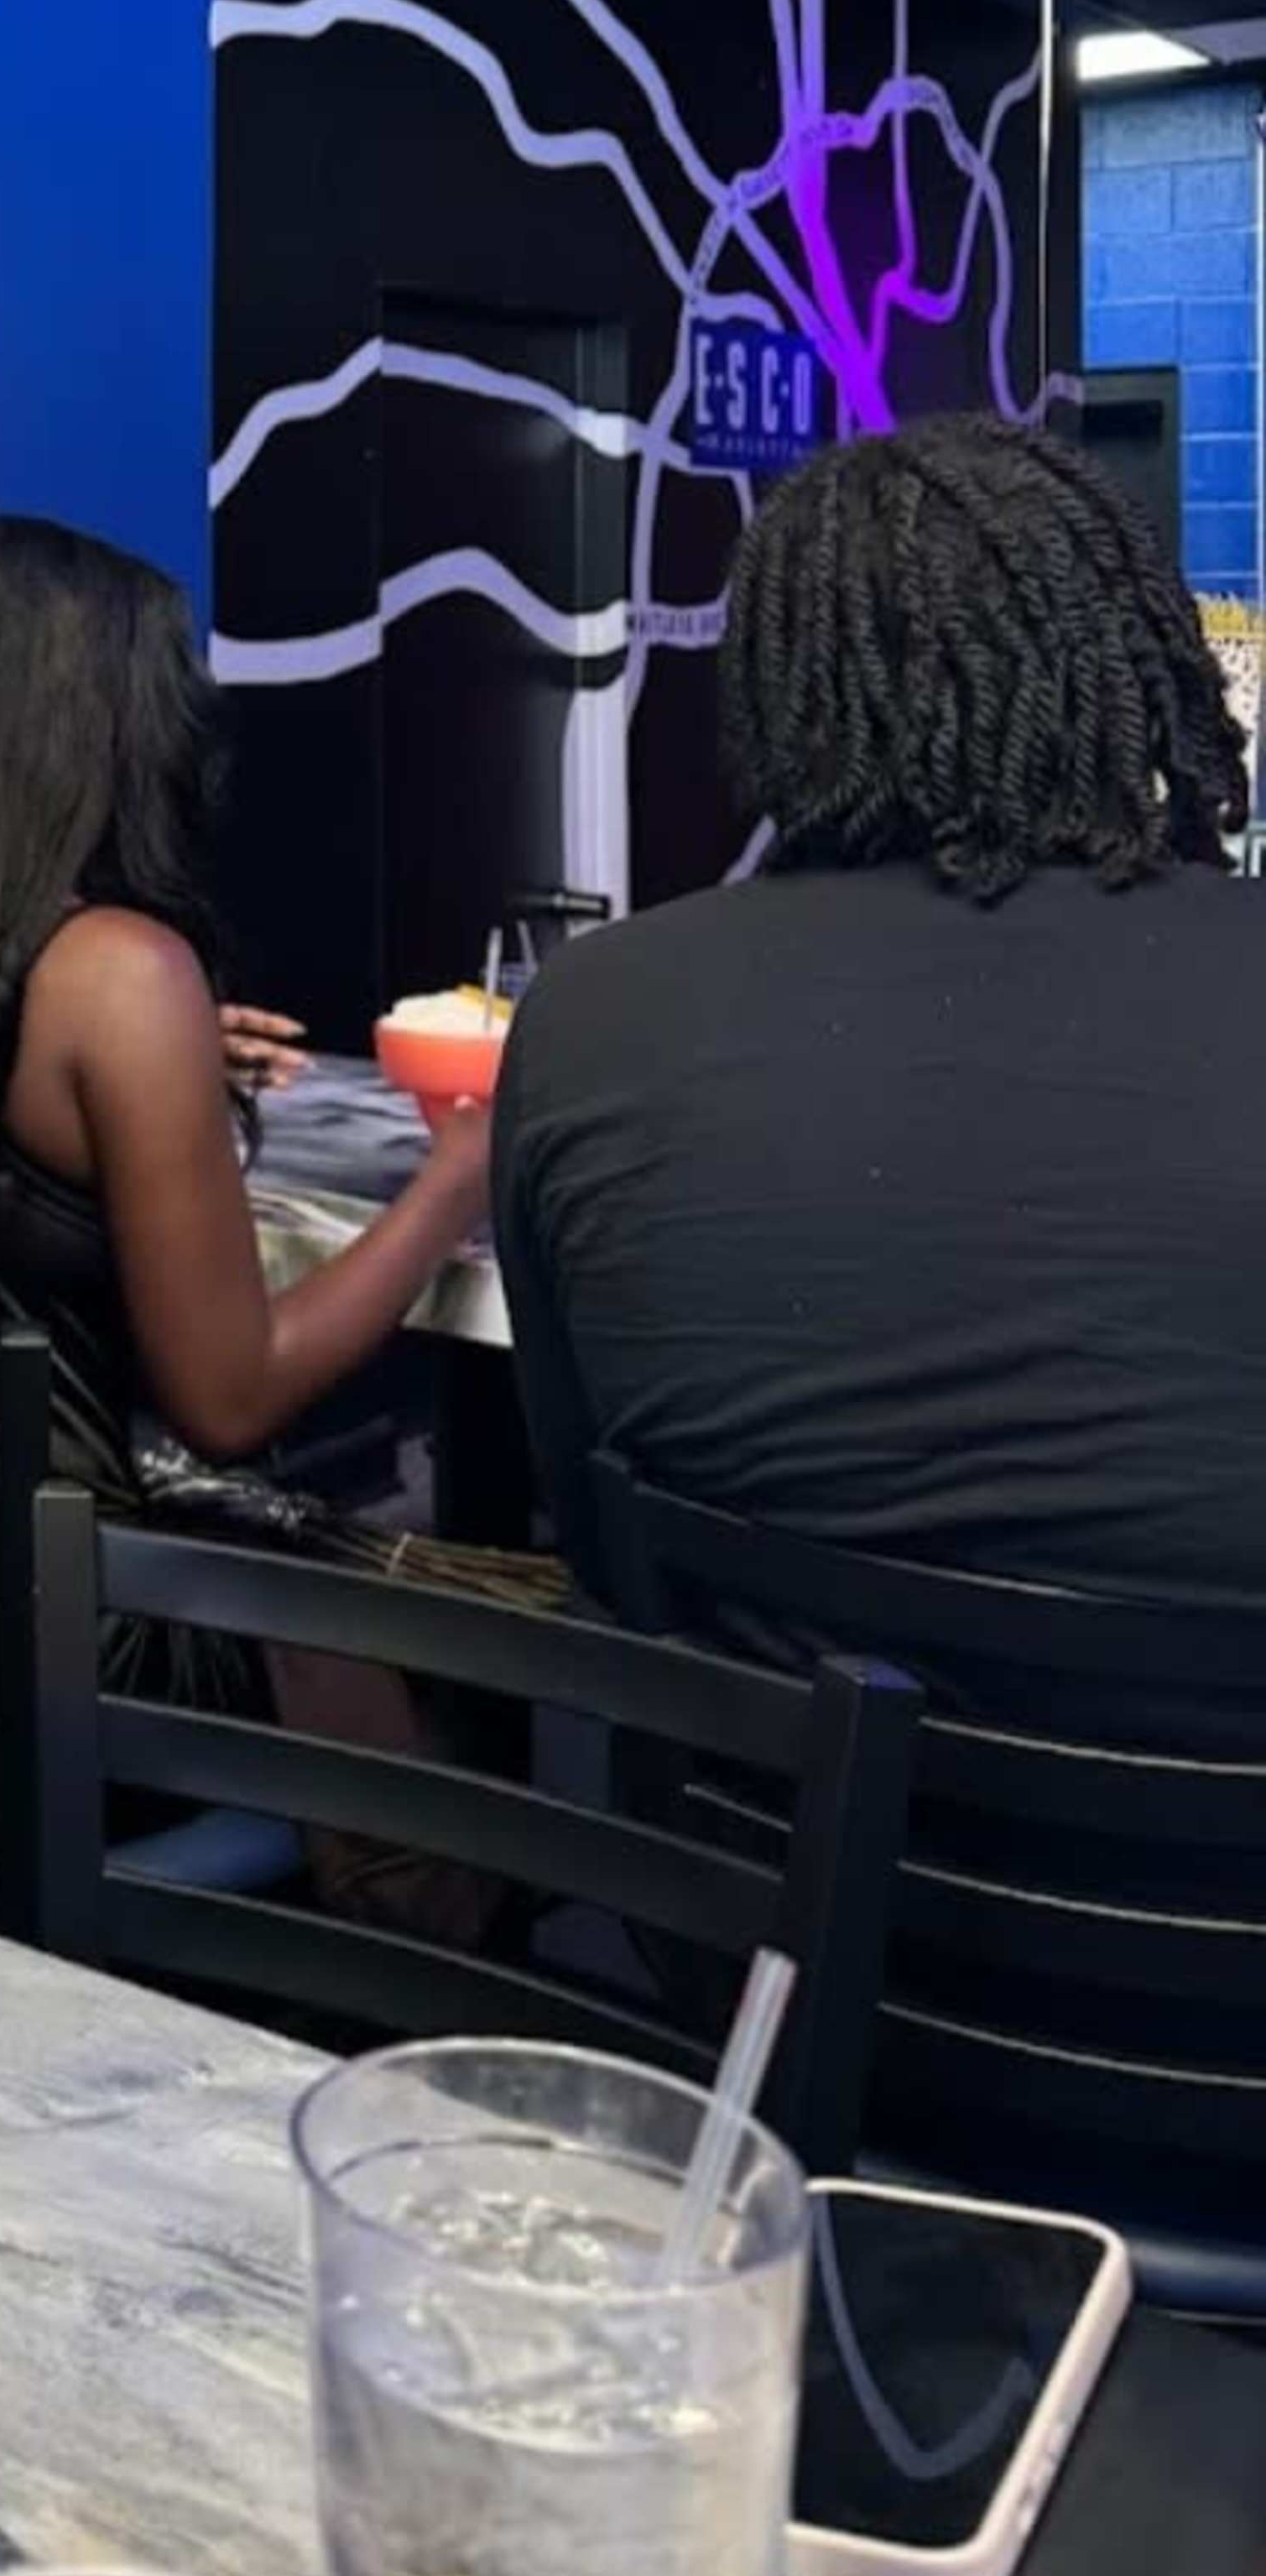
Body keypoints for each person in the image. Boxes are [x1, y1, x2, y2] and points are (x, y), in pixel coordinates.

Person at [494, 412, 1263, 1702]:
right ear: (1125, 659)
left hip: (759, 1870)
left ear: (783, 696)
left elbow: (587, 1517)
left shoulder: (589, 1016)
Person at [0, 514, 483, 1504]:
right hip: (77, 1603)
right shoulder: (121, 977)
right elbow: (232, 1400)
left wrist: (160, 1070)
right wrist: (456, 1179)